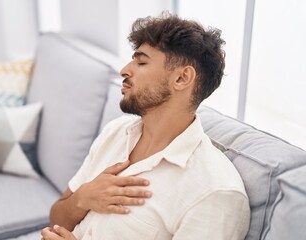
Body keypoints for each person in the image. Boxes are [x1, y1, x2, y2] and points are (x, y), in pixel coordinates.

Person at [41, 12, 250, 240]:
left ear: (181, 78)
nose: (124, 70)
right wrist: (82, 198)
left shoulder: (214, 192)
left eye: (141, 62)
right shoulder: (116, 131)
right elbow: (56, 219)